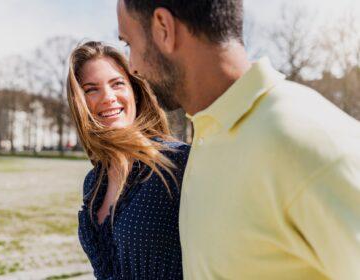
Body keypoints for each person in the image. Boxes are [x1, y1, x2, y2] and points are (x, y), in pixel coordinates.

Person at [117, 0, 360, 279]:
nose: (132, 67)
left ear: (163, 28)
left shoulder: (307, 139)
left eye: (129, 44)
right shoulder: (208, 133)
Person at [66, 41, 189, 280]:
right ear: (80, 102)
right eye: (91, 89)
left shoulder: (177, 163)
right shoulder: (93, 182)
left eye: (117, 84)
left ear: (135, 90)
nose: (108, 97)